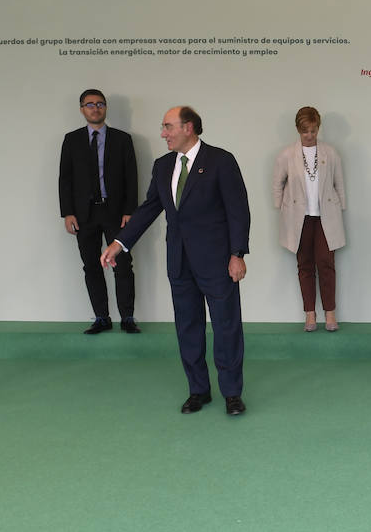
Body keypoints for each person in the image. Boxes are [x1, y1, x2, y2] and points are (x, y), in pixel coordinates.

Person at [103, 107, 251, 416]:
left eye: (168, 126)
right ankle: (198, 390)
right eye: (163, 127)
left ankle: (232, 394)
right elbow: (148, 210)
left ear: (189, 127)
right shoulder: (162, 166)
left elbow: (238, 210)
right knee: (187, 328)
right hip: (179, 261)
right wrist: (119, 243)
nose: (163, 133)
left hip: (218, 261)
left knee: (226, 328)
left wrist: (237, 254)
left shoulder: (221, 161)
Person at [58, 89, 139, 335]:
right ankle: (102, 318)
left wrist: (130, 210)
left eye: (100, 104)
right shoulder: (71, 140)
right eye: (89, 104)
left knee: (122, 264)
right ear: (82, 109)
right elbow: (65, 179)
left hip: (115, 211)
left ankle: (127, 317)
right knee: (91, 265)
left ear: (106, 108)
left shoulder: (122, 139)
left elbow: (132, 176)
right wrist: (68, 213)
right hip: (84, 214)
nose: (95, 108)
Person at [272, 106, 347, 332]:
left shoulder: (330, 153)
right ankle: (310, 314)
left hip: (325, 216)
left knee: (326, 264)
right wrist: (281, 208)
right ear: (298, 129)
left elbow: (339, 183)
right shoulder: (286, 155)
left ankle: (330, 313)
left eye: (313, 130)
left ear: (318, 129)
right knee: (304, 266)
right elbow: (277, 184)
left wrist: (341, 206)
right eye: (305, 131)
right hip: (299, 219)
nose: (310, 135)